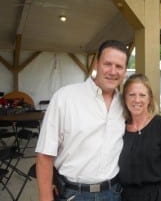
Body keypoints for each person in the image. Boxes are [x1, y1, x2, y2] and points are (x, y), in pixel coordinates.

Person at [35, 40, 129, 201]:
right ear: (96, 64)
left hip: (113, 193)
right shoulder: (65, 98)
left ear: (125, 70)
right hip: (74, 194)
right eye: (108, 64)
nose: (113, 71)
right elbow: (44, 155)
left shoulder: (124, 104)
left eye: (119, 66)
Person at [118, 73, 161, 201]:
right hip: (124, 197)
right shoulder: (119, 129)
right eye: (131, 95)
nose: (137, 100)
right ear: (124, 98)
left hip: (157, 196)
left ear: (150, 99)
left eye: (142, 95)